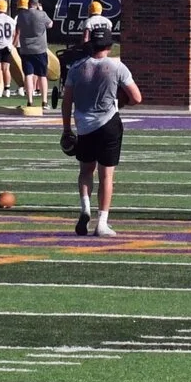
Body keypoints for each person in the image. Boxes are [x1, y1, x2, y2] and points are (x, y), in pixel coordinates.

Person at [64, 26, 140, 237]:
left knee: (85, 171)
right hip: (108, 123)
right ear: (109, 45)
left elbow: (67, 101)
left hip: (84, 125)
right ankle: (102, 223)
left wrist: (66, 128)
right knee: (106, 175)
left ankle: (85, 209)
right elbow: (136, 97)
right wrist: (121, 101)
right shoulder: (117, 66)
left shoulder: (76, 67)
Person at [16, 0, 54, 108]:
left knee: (28, 74)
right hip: (40, 49)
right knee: (42, 75)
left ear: (28, 4)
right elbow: (50, 25)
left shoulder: (22, 15)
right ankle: (44, 101)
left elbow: (18, 28)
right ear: (37, 4)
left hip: (26, 49)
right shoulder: (42, 14)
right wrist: (41, 11)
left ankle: (30, 101)